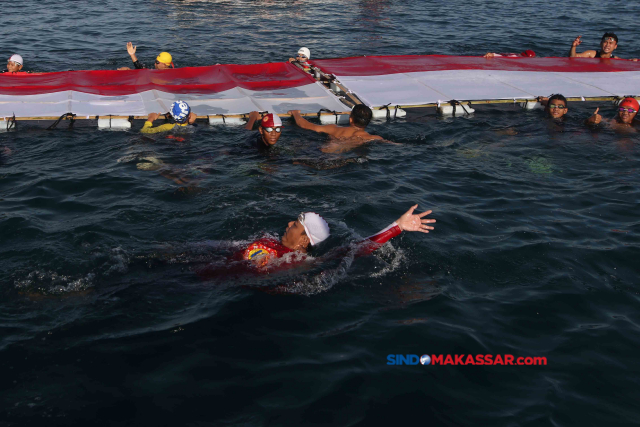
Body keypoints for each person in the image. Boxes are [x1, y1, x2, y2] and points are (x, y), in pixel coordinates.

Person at [202, 205, 435, 272]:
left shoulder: (299, 262)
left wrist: (397, 227)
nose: (287, 225)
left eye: (294, 224)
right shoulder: (270, 239)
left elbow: (357, 248)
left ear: (304, 241)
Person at [288, 104, 383, 144]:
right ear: (368, 122)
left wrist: (295, 113)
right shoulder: (373, 138)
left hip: (321, 153)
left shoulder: (334, 129)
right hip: (341, 158)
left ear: (350, 119)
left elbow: (305, 125)